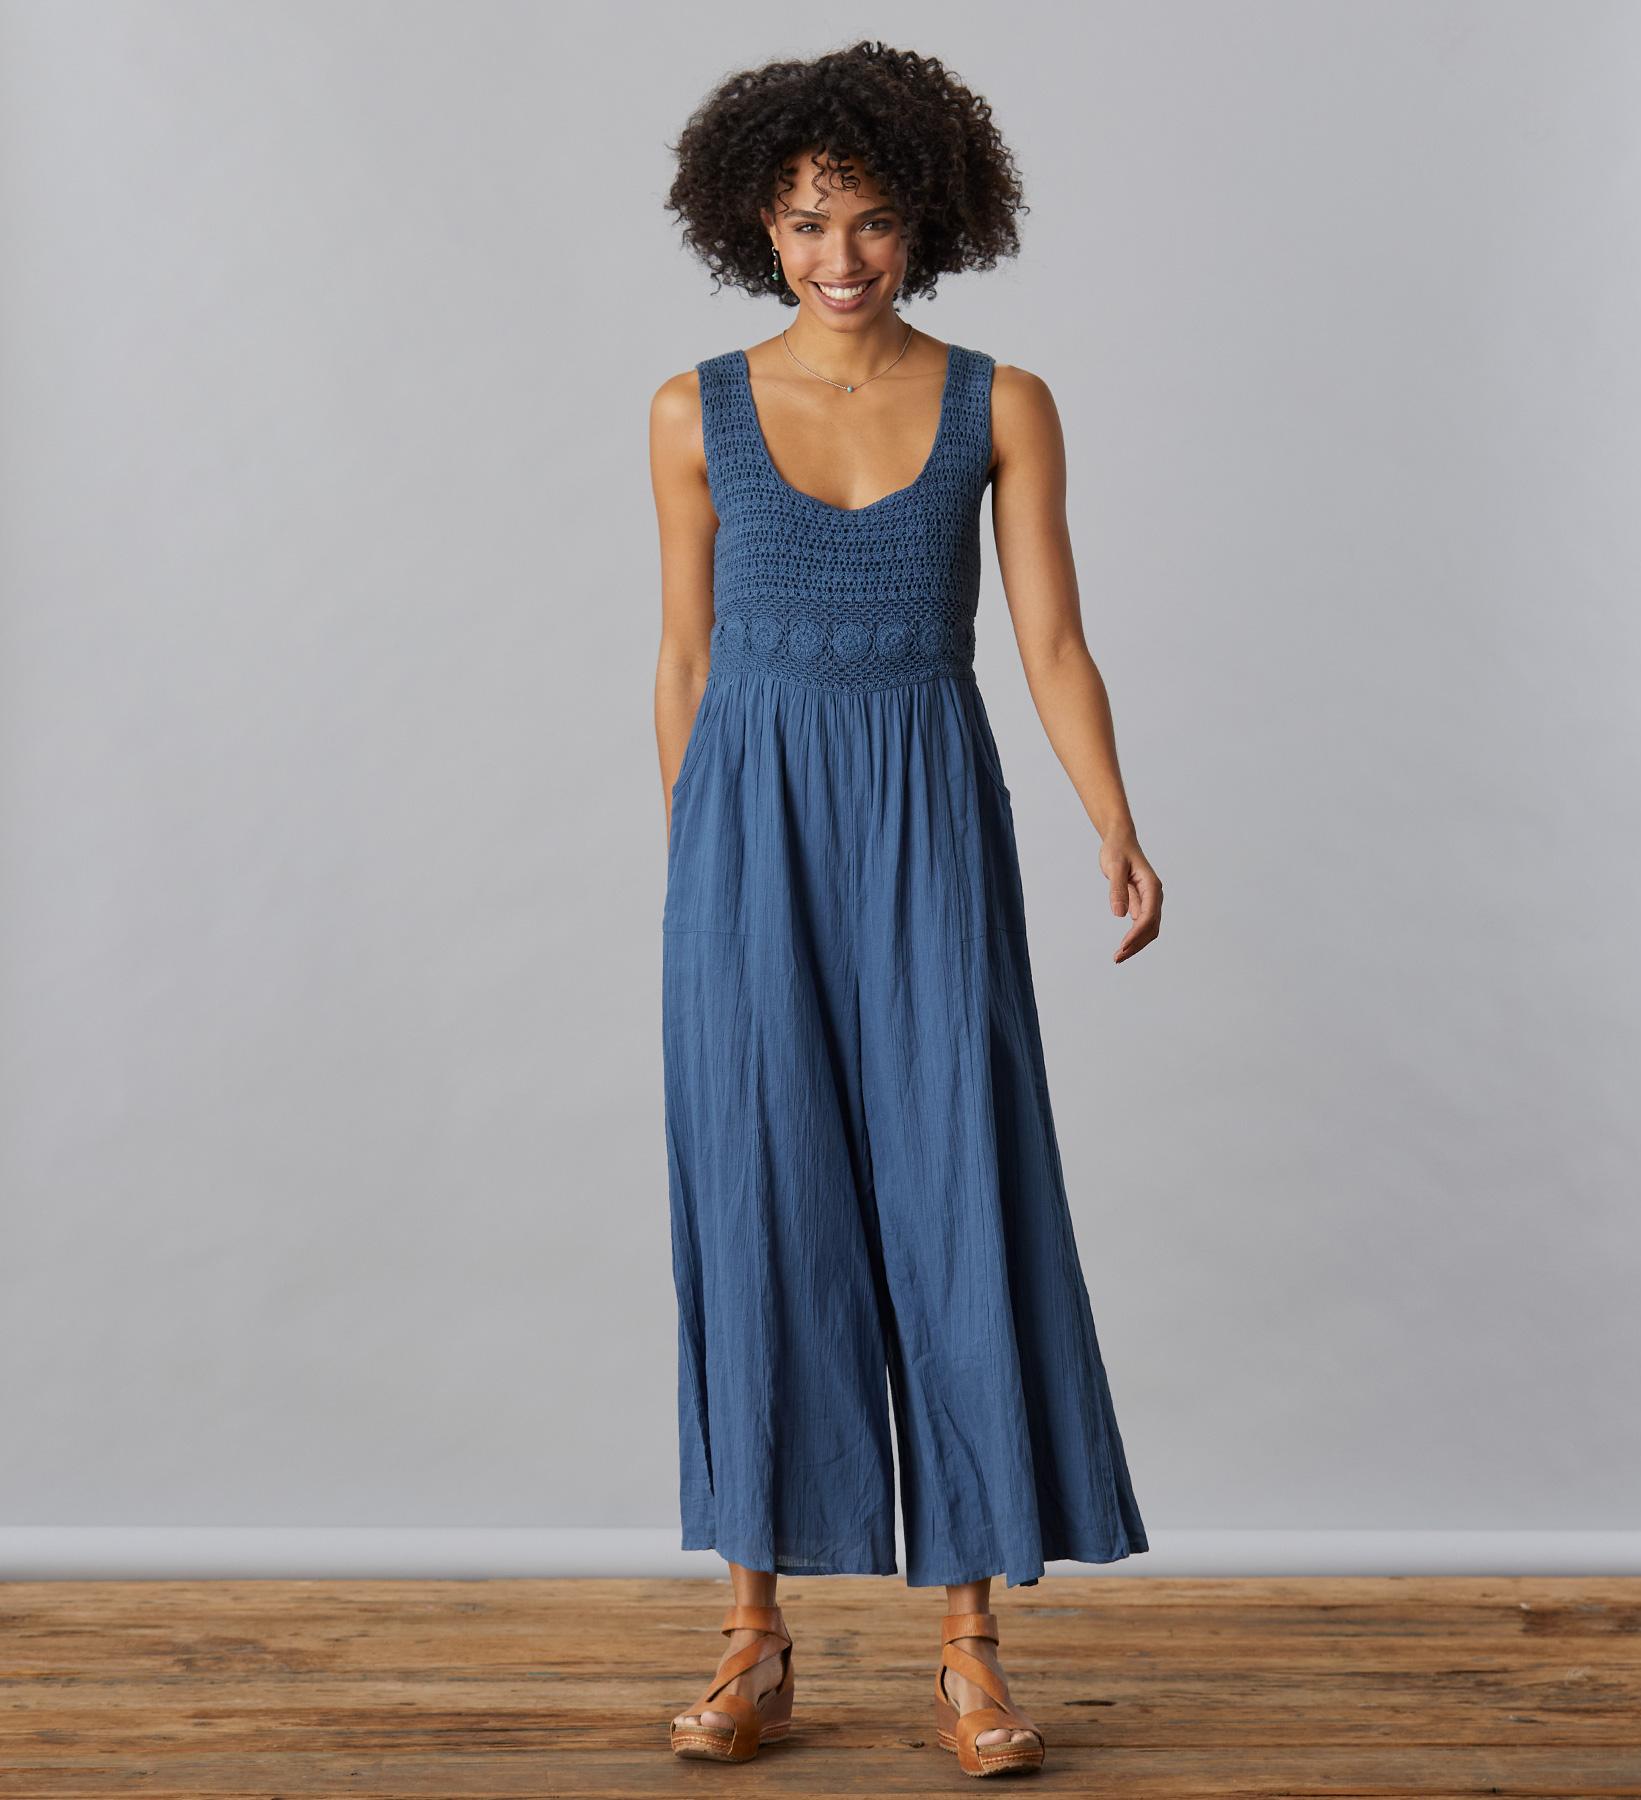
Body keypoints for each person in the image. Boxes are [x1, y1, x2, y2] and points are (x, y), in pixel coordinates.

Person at [649, 40, 1161, 1777]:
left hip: (929, 822)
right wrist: (695, 871)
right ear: (756, 225)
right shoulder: (692, 410)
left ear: (927, 217)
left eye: (869, 218)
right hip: (747, 837)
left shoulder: (1001, 403)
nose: (841, 254)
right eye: (807, 223)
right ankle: (752, 1638)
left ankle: (969, 1648)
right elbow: (684, 656)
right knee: (760, 1202)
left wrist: (1114, 819)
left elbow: (1052, 641)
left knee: (959, 1195)